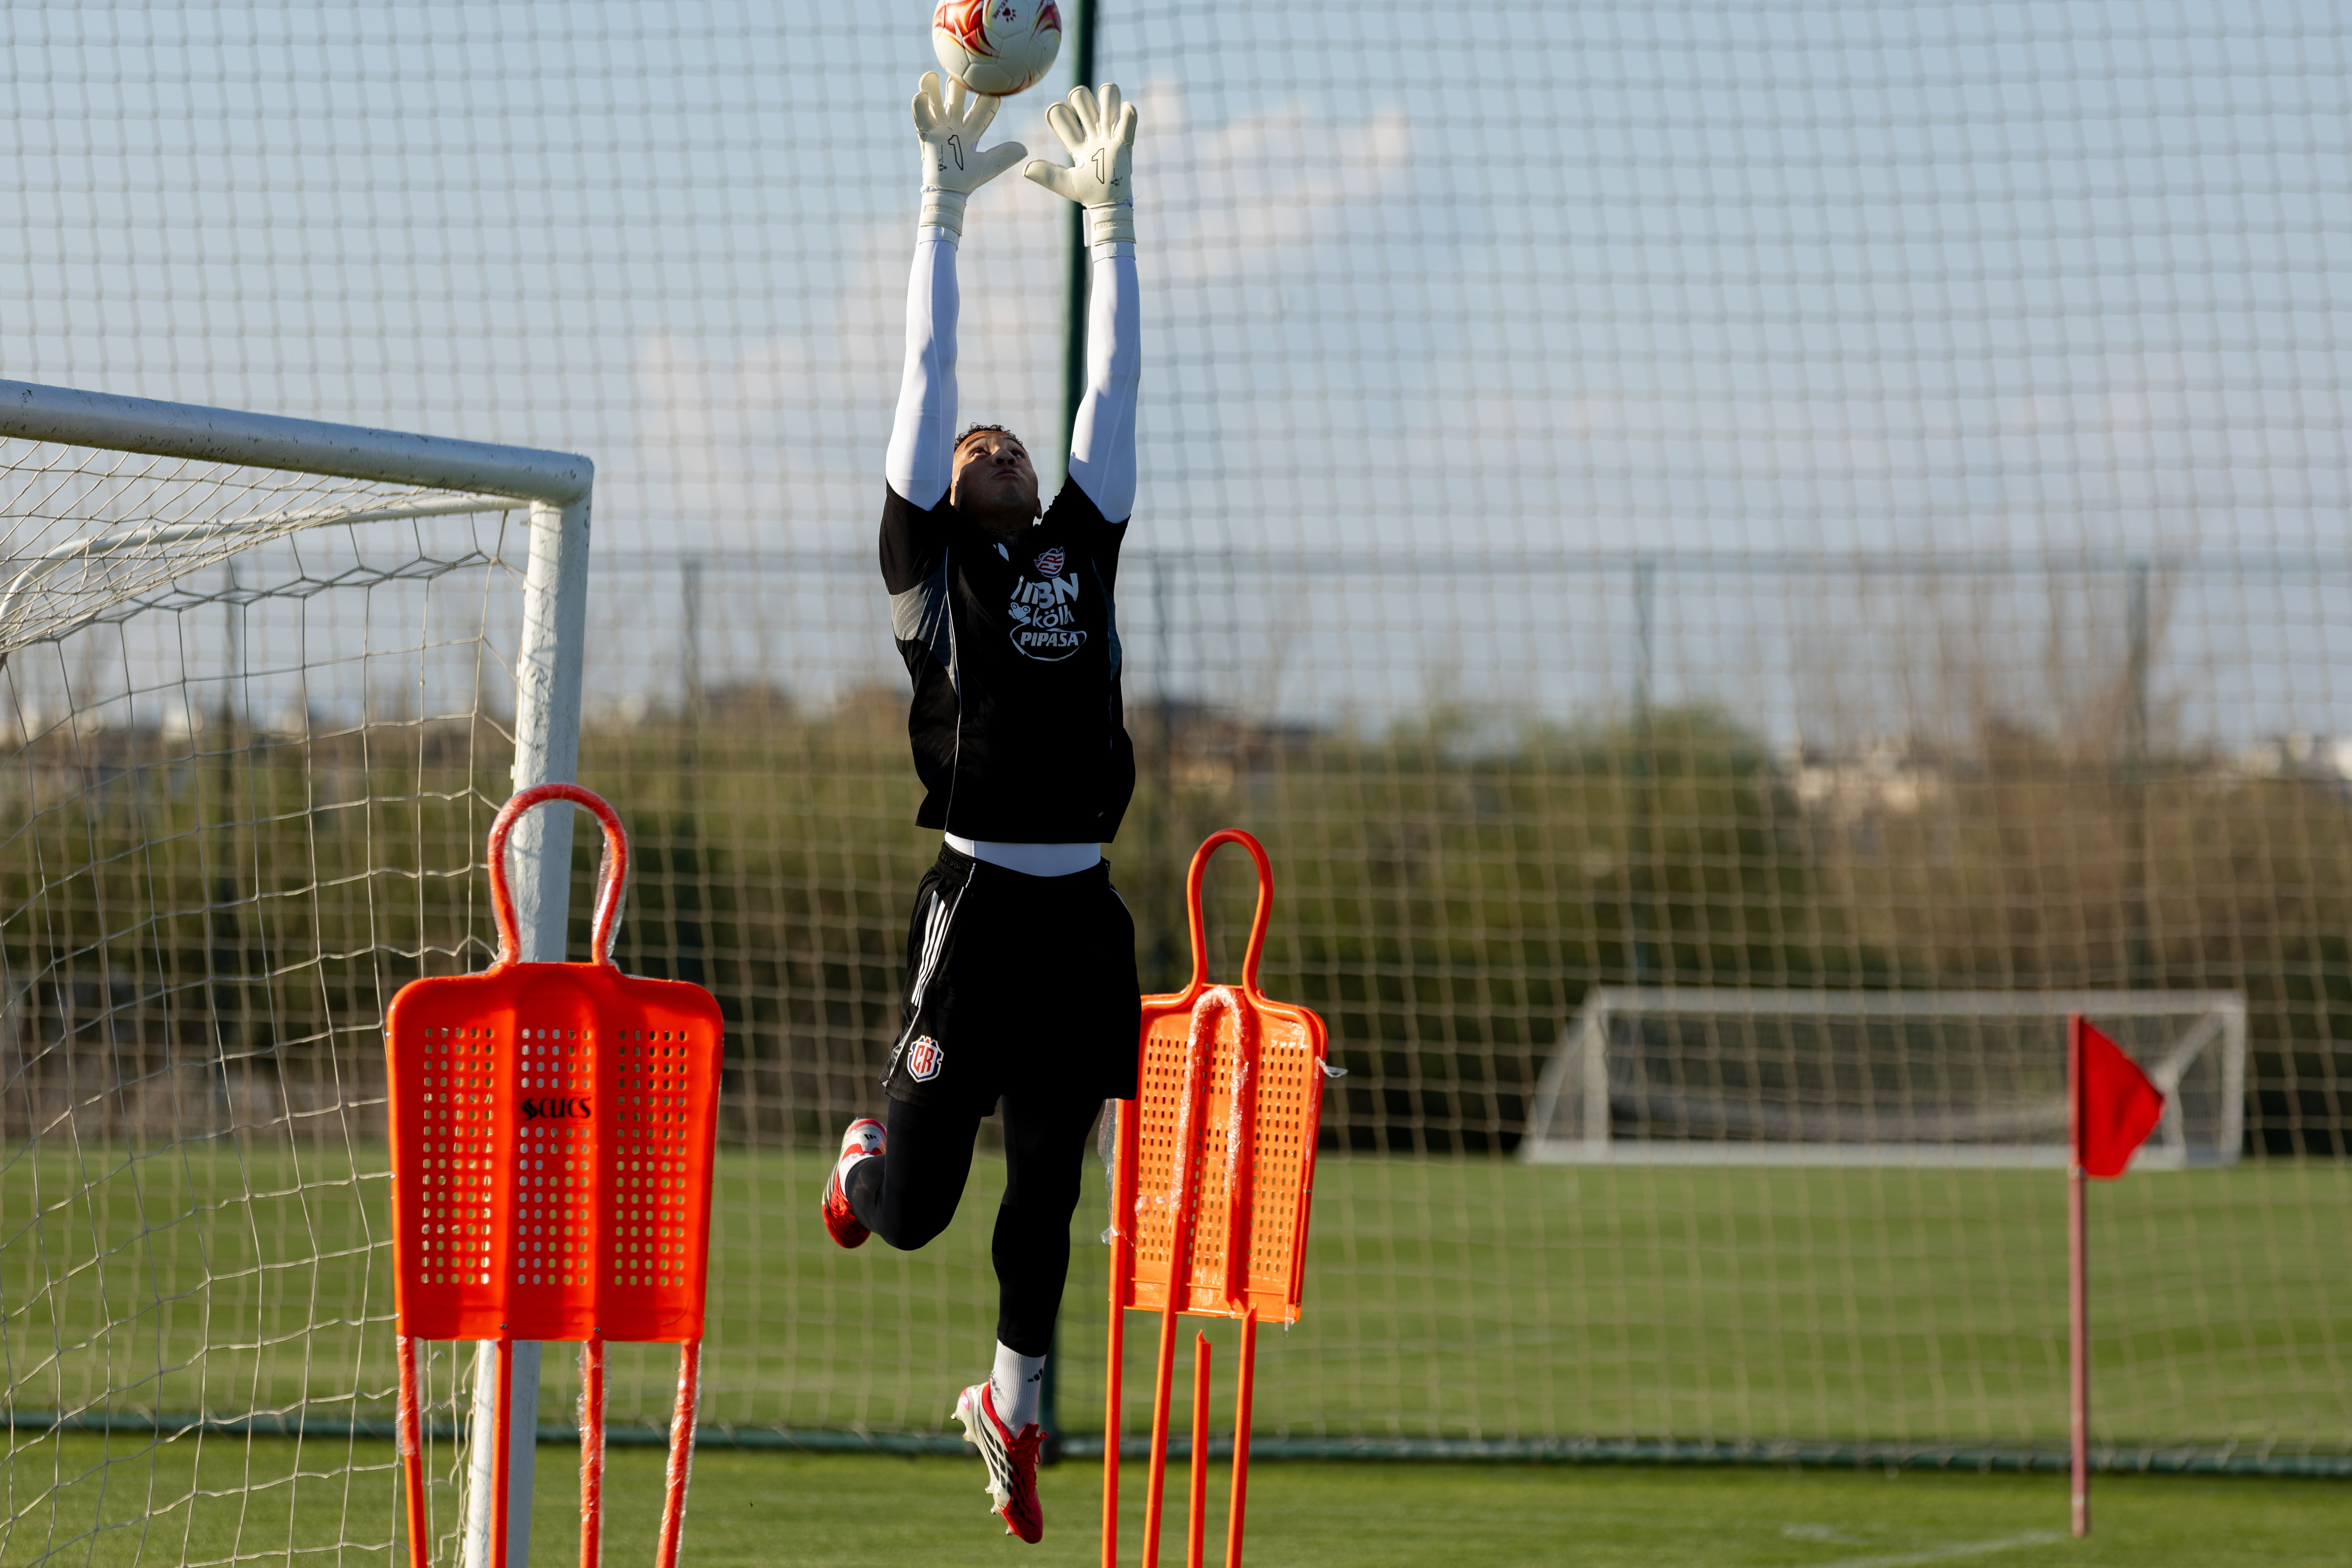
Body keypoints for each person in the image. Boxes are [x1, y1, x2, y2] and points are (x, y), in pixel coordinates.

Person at [818, 72, 1143, 1545]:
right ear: (944, 499)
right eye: (974, 452)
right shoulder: (927, 573)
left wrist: (1115, 230)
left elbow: (1109, 402)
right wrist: (941, 212)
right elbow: (924, 378)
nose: (992, 443)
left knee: (1049, 1191)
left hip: (1083, 909)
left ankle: (1014, 1395)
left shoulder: (1079, 547)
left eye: (1007, 445)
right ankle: (864, 1161)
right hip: (978, 905)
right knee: (923, 1212)